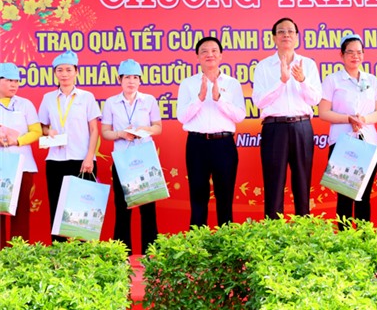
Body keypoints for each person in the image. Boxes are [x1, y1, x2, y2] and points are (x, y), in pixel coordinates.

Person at [252, 17, 322, 219]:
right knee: (274, 185)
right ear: (274, 37)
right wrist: (282, 82)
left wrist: (302, 81)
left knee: (302, 183)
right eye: (281, 32)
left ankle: (304, 234)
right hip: (275, 128)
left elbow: (315, 99)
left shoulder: (307, 65)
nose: (286, 35)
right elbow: (259, 101)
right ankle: (274, 235)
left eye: (290, 31)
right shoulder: (264, 67)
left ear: (297, 37)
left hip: (302, 127)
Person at [177, 37, 245, 228]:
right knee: (198, 197)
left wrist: (218, 99)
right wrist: (199, 98)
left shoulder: (232, 84)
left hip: (223, 145)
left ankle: (226, 247)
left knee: (225, 198)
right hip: (197, 144)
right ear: (197, 57)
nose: (210, 54)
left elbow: (240, 115)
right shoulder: (188, 84)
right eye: (204, 51)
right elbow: (182, 116)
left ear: (221, 55)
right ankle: (197, 248)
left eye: (214, 50)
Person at [318, 34, 377, 226]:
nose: (355, 56)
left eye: (359, 52)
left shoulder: (371, 80)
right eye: (350, 52)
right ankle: (346, 244)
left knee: (364, 195)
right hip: (342, 143)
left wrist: (363, 119)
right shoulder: (333, 80)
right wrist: (348, 119)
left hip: (368, 143)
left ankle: (364, 243)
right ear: (341, 54)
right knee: (345, 197)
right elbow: (323, 112)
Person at [101, 59, 162, 254]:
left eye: (135, 77)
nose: (131, 81)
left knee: (148, 209)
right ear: (120, 79)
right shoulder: (111, 102)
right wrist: (120, 133)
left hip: (145, 159)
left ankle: (150, 253)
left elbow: (158, 128)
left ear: (140, 80)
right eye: (127, 77)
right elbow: (105, 132)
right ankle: (122, 254)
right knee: (122, 208)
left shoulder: (149, 101)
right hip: (122, 160)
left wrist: (146, 129)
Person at [38, 50, 101, 240]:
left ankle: (85, 257)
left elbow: (94, 130)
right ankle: (59, 255)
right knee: (57, 208)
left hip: (82, 160)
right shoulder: (48, 98)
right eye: (60, 70)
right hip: (56, 160)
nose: (64, 74)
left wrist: (89, 157)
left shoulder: (86, 97)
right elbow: (41, 126)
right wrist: (49, 132)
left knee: (83, 209)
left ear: (76, 71)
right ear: (55, 73)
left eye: (68, 70)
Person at [0, 63, 42, 247]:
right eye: (9, 80)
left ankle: (18, 256)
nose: (14, 85)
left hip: (23, 166)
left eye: (16, 81)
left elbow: (36, 131)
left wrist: (18, 141)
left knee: (21, 213)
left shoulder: (25, 104)